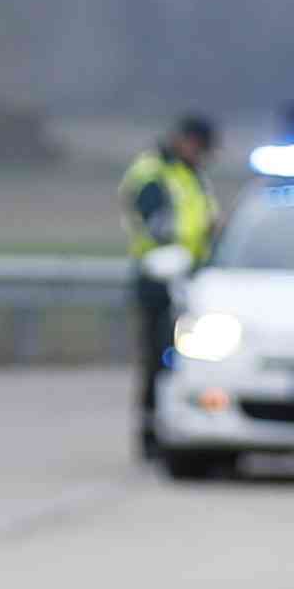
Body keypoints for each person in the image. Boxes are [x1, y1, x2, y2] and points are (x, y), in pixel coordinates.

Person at [119, 116, 220, 453]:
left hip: (193, 280)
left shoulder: (191, 174)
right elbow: (156, 225)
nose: (200, 154)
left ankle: (186, 420)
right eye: (197, 146)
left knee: (190, 358)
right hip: (159, 277)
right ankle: (153, 430)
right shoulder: (152, 172)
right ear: (183, 140)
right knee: (158, 358)